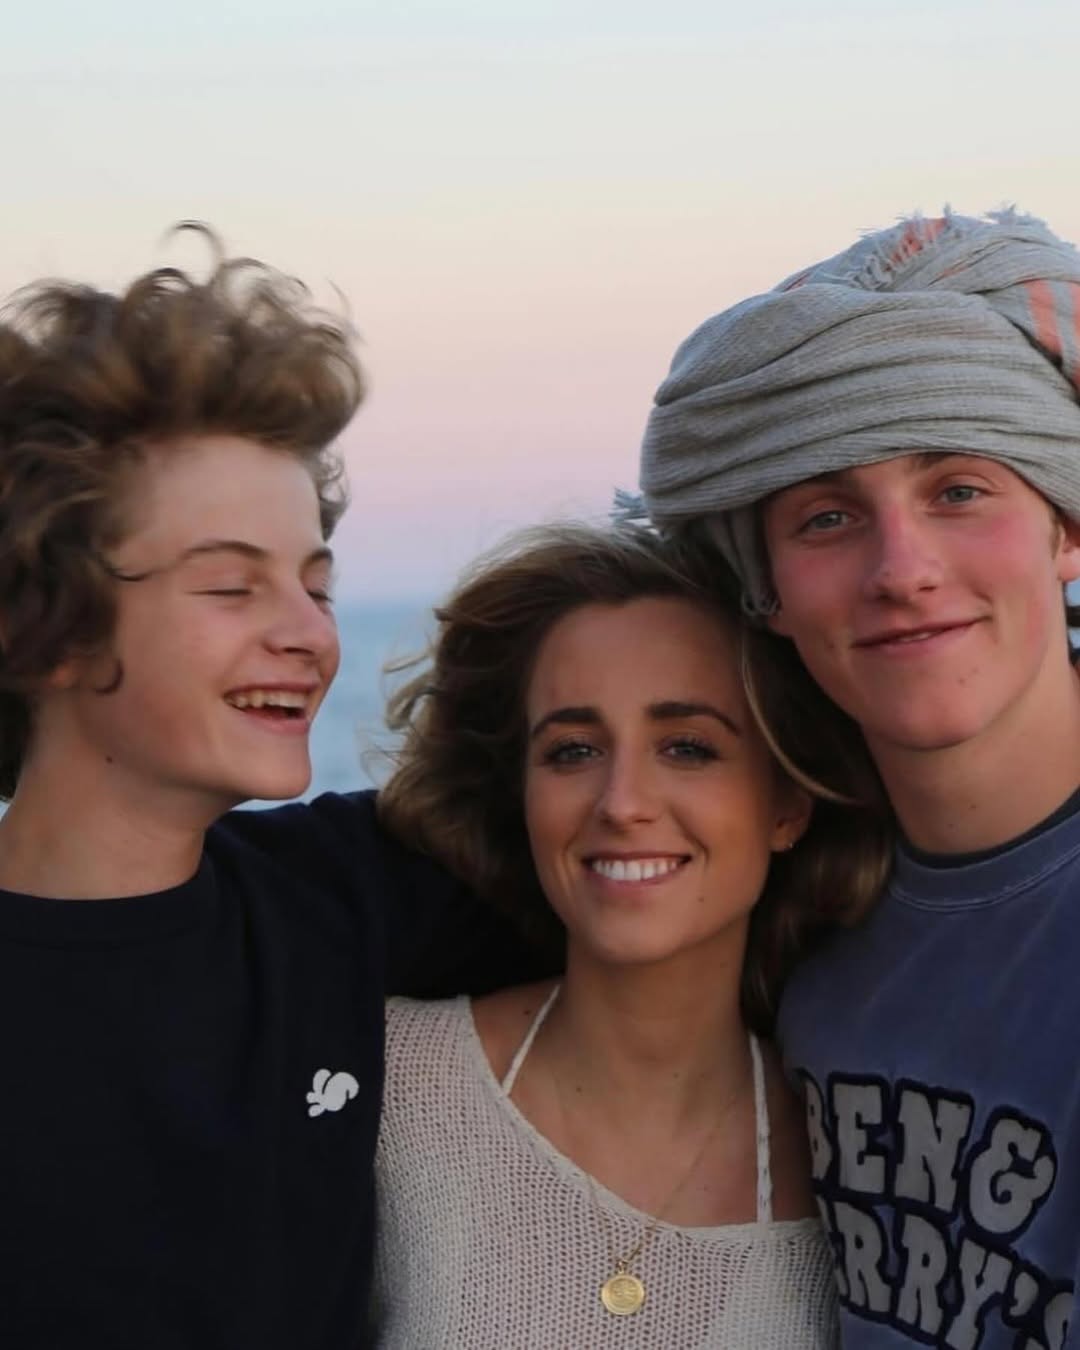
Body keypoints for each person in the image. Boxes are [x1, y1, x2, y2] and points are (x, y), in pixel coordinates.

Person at [0, 237, 540, 1349]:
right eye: (233, 584)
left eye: (316, 583)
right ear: (40, 628)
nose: (306, 634)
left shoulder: (351, 897)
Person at [633, 208, 1080, 1348]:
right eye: (828, 517)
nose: (902, 570)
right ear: (766, 590)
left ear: (1065, 530)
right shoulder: (790, 908)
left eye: (960, 491)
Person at [372, 522, 889, 1348]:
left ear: (787, 804)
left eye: (688, 747)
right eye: (572, 750)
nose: (621, 802)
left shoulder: (857, 1163)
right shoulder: (390, 1084)